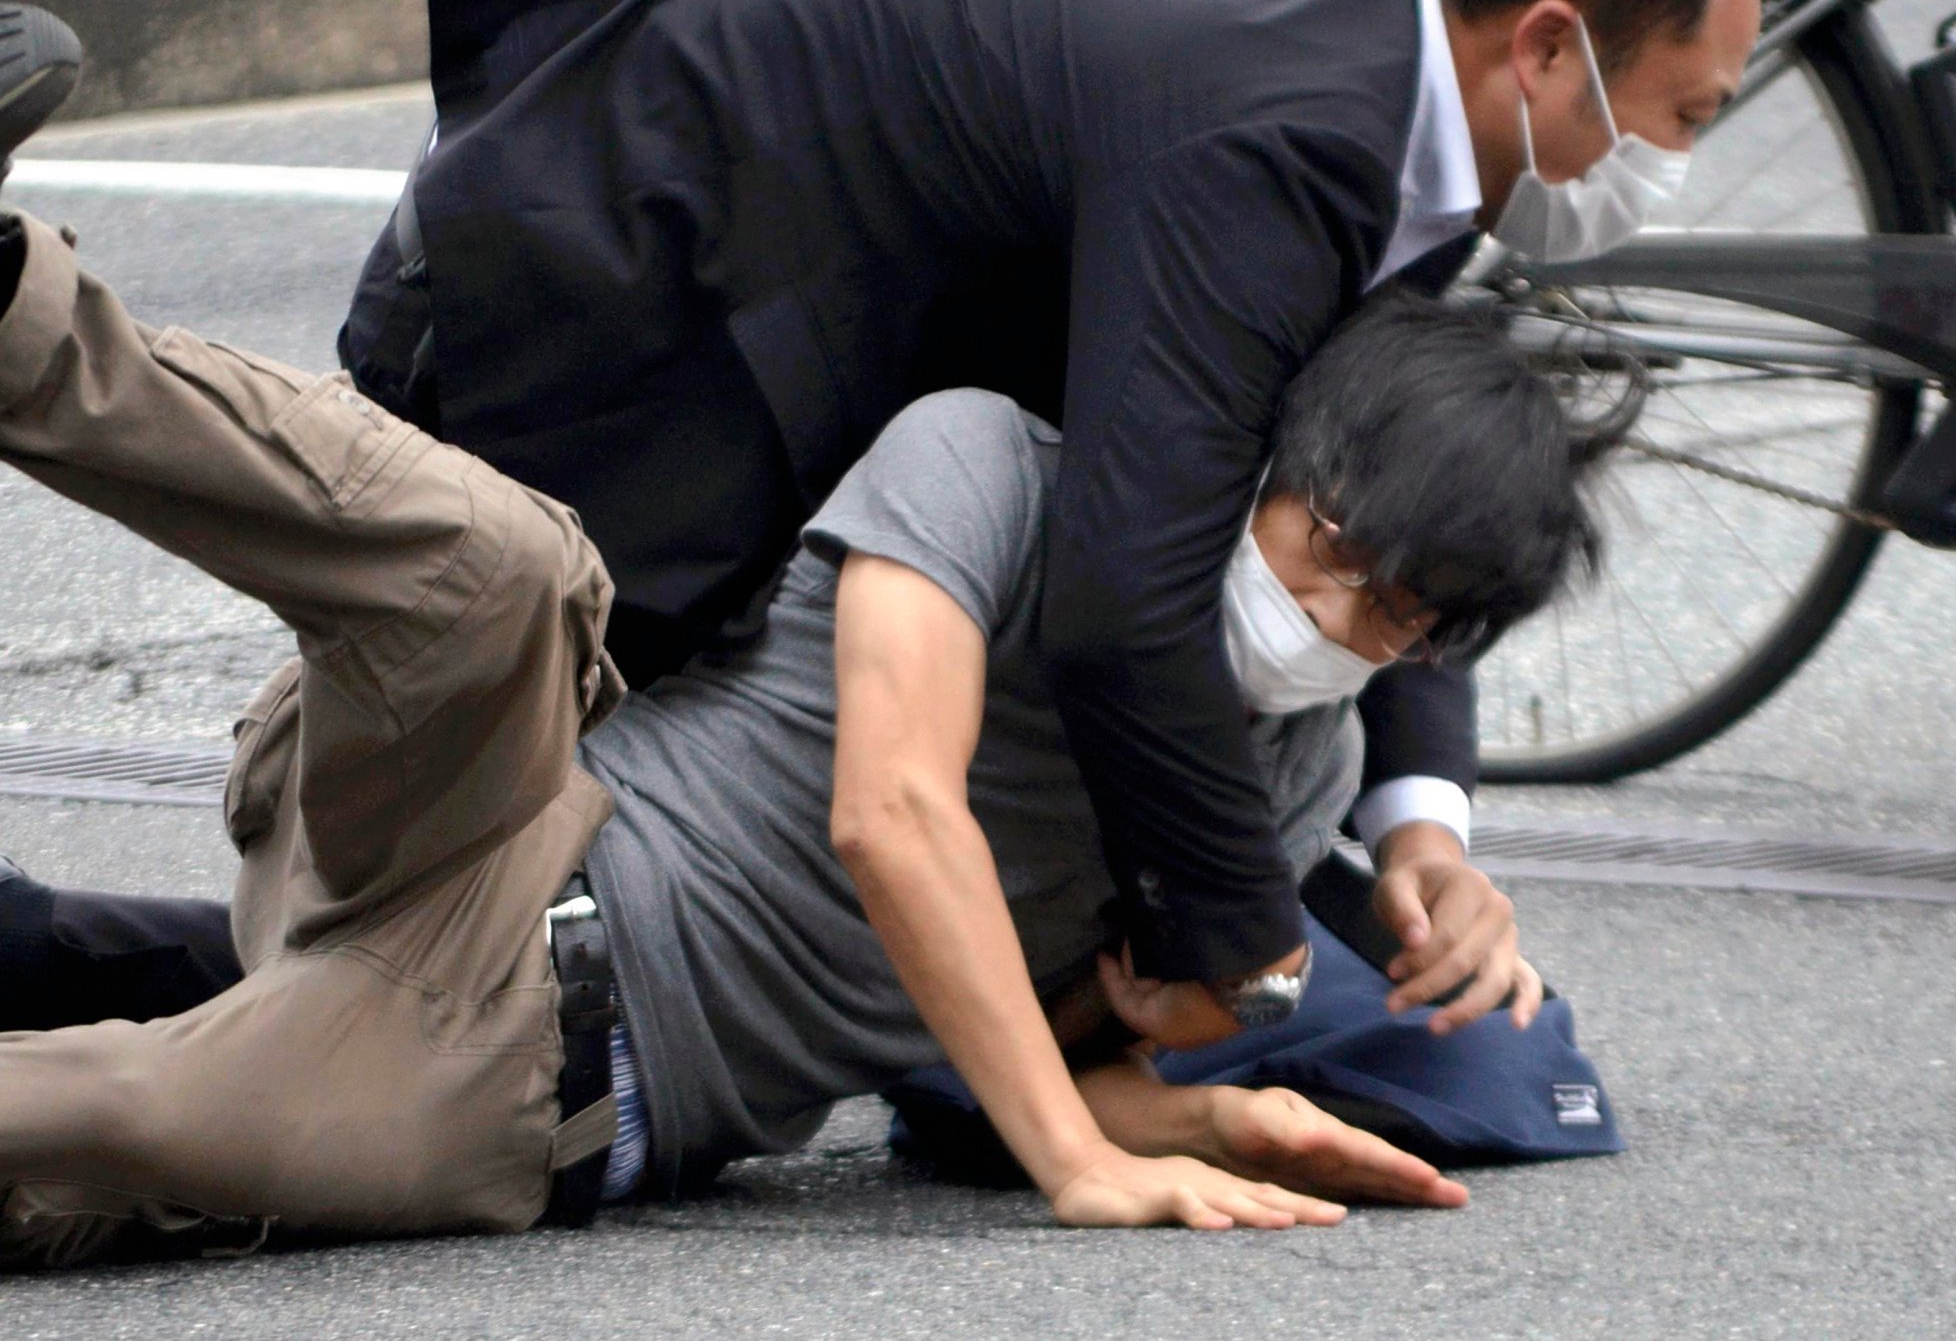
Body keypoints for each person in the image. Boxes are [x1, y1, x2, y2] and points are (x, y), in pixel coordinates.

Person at [0, 66, 1626, 1264]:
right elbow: (891, 813)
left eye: (1404, 620)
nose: (1339, 618)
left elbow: (988, 1086)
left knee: (115, 1131)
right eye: (1329, 545)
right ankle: (15, 311)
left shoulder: (1295, 775)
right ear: (1259, 458)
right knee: (503, 569)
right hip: (487, 815)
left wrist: (1159, 1081)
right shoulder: (993, 468)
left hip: (530, 1079)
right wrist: (1079, 1150)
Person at [335, 0, 1781, 1040]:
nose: (1666, 165)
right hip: (553, 299)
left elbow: (1382, 471)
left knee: (480, 948)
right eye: (1681, 115)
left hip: (717, 308)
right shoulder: (1284, 138)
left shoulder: (1393, 93)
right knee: (443, 919)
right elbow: (1122, 605)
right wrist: (1251, 961)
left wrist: (1421, 831)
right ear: (1545, 46)